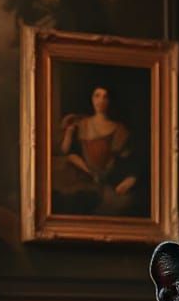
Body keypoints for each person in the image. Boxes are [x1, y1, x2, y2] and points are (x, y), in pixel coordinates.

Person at [53, 85, 143, 216]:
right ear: (91, 99)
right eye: (97, 96)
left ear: (110, 101)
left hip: (107, 179)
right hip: (81, 177)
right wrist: (69, 132)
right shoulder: (81, 124)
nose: (100, 100)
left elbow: (128, 159)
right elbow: (65, 152)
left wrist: (131, 178)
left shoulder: (118, 129)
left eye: (105, 97)